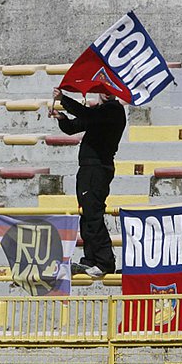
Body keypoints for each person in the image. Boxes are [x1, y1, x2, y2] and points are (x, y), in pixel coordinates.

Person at [49, 88, 126, 278]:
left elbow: (85, 114)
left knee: (93, 214)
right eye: (104, 88)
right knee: (87, 214)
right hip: (88, 169)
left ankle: (104, 261)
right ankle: (90, 259)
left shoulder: (112, 110)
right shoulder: (99, 112)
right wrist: (61, 117)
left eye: (112, 89)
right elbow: (73, 126)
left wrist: (63, 99)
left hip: (97, 169)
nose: (108, 92)